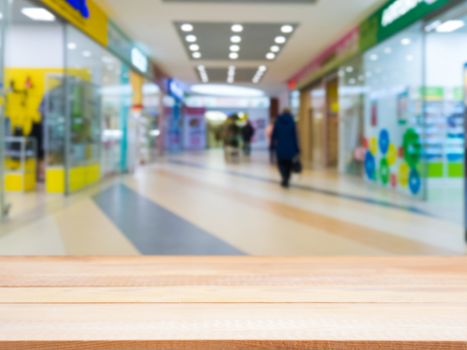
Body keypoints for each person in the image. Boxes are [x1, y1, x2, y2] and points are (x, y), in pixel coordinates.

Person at [271, 109, 300, 188]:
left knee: (281, 164)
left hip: (280, 147)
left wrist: (273, 146)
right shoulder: (292, 123)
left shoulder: (277, 122)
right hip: (291, 147)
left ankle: (284, 177)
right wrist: (297, 148)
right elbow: (295, 137)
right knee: (289, 164)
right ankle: (287, 178)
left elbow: (274, 136)